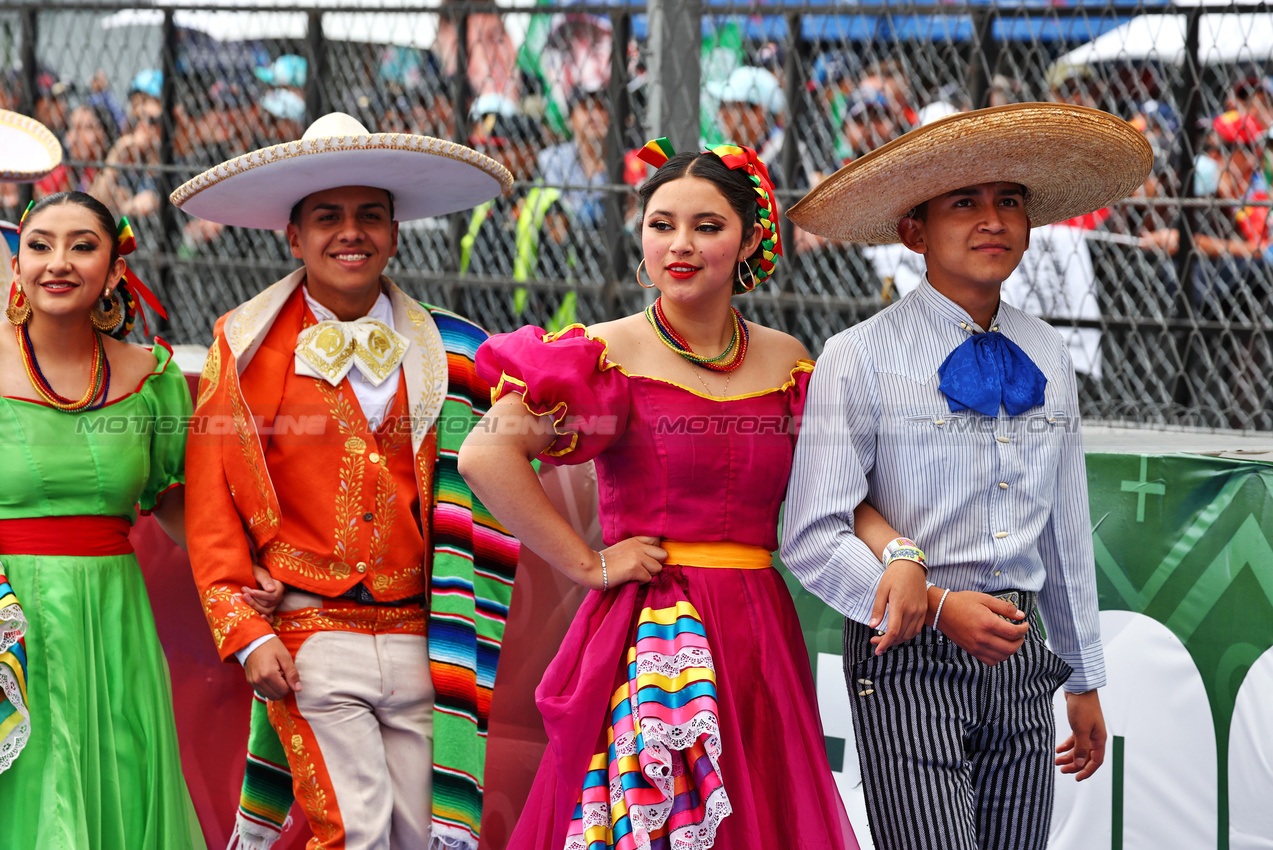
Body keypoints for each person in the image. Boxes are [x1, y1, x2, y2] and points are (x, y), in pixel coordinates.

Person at [459, 138, 917, 849]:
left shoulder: (788, 359)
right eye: (660, 224)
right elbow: (487, 453)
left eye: (707, 226)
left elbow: (832, 492)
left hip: (761, 636)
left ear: (749, 241)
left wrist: (898, 553)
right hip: (650, 633)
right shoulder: (599, 353)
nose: (680, 244)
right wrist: (588, 564)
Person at [781, 103, 1153, 850]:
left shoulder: (1049, 352)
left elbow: (1064, 534)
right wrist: (934, 602)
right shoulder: (857, 354)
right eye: (964, 202)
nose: (992, 220)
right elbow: (811, 532)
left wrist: (1080, 679)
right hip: (906, 653)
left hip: (1021, 652)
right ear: (914, 231)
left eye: (1007, 201)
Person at [172, 112, 520, 850]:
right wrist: (244, 630)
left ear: (394, 232)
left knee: (421, 836)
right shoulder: (245, 345)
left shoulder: (457, 354)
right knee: (354, 831)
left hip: (420, 636)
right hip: (309, 631)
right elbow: (210, 504)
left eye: (368, 216)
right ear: (291, 237)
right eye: (326, 217)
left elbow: (517, 455)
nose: (349, 233)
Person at [0, 191, 202, 845]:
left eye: (82, 246)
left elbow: (172, 496)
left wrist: (250, 574)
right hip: (9, 615)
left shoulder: (152, 378)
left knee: (114, 782)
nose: (58, 262)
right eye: (40, 245)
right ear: (16, 266)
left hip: (112, 623)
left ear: (115, 270)